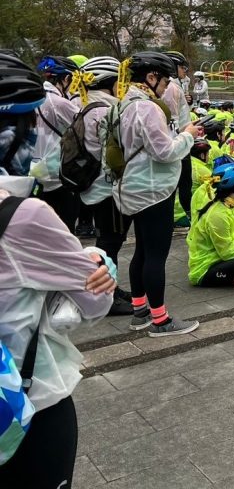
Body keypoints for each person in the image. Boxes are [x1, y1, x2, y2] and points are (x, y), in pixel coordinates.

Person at [0, 52, 116, 489]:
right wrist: (97, 261)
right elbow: (93, 300)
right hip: (25, 402)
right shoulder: (22, 215)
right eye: (30, 126)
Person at [113, 52, 202, 336]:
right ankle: (161, 320)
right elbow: (164, 152)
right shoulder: (147, 108)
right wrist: (188, 134)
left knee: (141, 249)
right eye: (165, 82)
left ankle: (140, 311)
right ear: (151, 77)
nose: (166, 88)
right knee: (156, 255)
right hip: (154, 189)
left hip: (134, 187)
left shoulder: (124, 104)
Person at [76, 56, 133, 315]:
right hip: (107, 187)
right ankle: (106, 296)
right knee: (110, 241)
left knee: (108, 239)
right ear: (109, 81)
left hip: (92, 186)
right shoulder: (106, 110)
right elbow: (120, 149)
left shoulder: (85, 105)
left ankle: (111, 286)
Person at [33, 55, 82, 231]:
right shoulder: (59, 103)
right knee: (66, 228)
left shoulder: (35, 98)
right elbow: (84, 126)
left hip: (36, 173)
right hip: (59, 176)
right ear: (66, 79)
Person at [163, 51, 194, 225]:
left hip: (180, 137)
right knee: (183, 184)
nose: (185, 72)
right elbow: (173, 118)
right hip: (180, 139)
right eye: (183, 68)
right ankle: (187, 215)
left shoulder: (174, 86)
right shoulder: (171, 87)